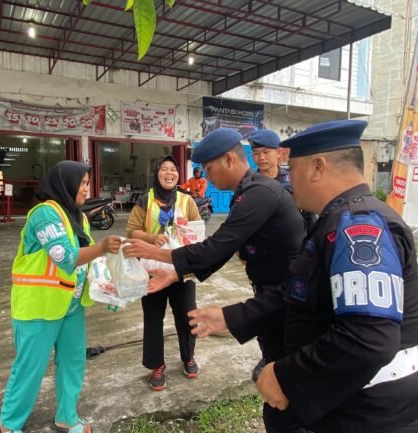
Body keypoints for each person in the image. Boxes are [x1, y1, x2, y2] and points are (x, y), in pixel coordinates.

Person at [189, 120, 418, 433]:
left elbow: (368, 338)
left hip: (379, 412)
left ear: (317, 167)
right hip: (355, 403)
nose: (288, 179)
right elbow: (297, 289)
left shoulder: (360, 226)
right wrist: (232, 316)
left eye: (292, 169)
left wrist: (287, 376)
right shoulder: (334, 220)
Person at [123, 128, 306, 430]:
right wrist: (173, 275)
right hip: (273, 296)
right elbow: (224, 252)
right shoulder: (248, 193)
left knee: (285, 387)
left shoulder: (260, 193)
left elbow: (215, 247)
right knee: (277, 376)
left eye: (209, 169)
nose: (206, 177)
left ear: (229, 159)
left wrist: (160, 256)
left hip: (287, 298)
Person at [0, 161, 122, 433]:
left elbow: (89, 260)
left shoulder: (79, 217)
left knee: (73, 361)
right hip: (39, 306)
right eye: (83, 183)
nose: (87, 190)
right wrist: (102, 247)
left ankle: (66, 417)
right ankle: (10, 423)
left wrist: (108, 289)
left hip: (71, 305)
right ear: (66, 183)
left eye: (88, 184)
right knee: (30, 367)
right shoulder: (44, 215)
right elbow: (65, 258)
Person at [126, 155, 202, 391]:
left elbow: (198, 228)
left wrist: (185, 231)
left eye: (174, 169)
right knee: (152, 318)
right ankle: (156, 365)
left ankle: (188, 356)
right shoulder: (144, 200)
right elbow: (131, 231)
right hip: (152, 268)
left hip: (181, 269)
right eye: (164, 169)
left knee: (187, 314)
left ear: (178, 175)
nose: (169, 173)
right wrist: (151, 238)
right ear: (157, 173)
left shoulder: (186, 201)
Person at [249, 129, 317, 232]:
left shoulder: (293, 179)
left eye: (266, 152)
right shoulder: (249, 183)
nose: (261, 157)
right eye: (256, 153)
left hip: (293, 239)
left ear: (279, 153)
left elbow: (309, 214)